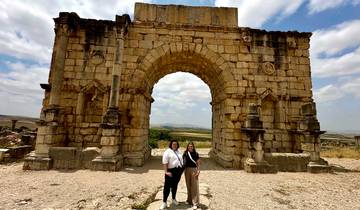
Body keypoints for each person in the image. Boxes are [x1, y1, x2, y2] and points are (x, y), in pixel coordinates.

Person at [159, 140, 184, 210]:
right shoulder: (167, 152)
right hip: (170, 171)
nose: (175, 145)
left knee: (175, 185)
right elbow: (165, 162)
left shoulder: (178, 151)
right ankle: (164, 202)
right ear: (171, 145)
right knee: (167, 187)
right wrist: (166, 172)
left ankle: (173, 199)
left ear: (177, 145)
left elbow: (180, 160)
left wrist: (181, 170)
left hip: (177, 171)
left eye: (176, 144)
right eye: (173, 144)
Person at [183, 142, 200, 209]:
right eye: (189, 146)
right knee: (188, 185)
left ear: (193, 147)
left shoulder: (196, 154)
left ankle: (195, 202)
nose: (190, 147)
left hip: (193, 170)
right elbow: (183, 162)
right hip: (186, 170)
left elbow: (198, 163)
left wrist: (198, 171)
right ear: (187, 147)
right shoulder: (185, 153)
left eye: (191, 146)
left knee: (194, 186)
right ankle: (189, 200)